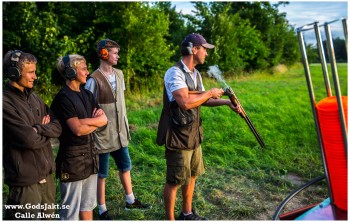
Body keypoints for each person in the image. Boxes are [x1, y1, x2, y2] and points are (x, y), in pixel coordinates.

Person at [156, 33, 242, 220]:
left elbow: (203, 101)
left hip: (193, 133)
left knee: (192, 175)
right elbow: (185, 102)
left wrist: (228, 103)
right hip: (178, 135)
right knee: (174, 181)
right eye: (204, 49)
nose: (206, 54)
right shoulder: (174, 72)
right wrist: (210, 92)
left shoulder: (195, 74)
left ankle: (187, 213)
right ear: (194, 49)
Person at [85, 39, 151, 220]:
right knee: (102, 174)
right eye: (114, 53)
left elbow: (119, 101)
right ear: (104, 54)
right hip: (102, 135)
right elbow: (88, 108)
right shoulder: (93, 80)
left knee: (125, 166)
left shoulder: (120, 75)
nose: (118, 56)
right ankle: (102, 209)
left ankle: (130, 200)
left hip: (120, 133)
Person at [3, 50, 62, 220]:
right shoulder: (4, 103)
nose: (35, 77)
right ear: (14, 73)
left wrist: (38, 129)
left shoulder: (35, 97)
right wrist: (41, 130)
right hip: (25, 184)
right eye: (30, 72)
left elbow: (57, 126)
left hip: (47, 179)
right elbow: (29, 139)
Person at [50, 54, 108, 220]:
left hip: (90, 157)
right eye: (83, 69)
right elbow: (77, 130)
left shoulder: (88, 95)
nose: (87, 72)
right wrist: (93, 122)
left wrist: (86, 123)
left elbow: (104, 120)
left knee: (87, 206)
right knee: (70, 213)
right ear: (70, 72)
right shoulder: (63, 98)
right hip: (72, 162)